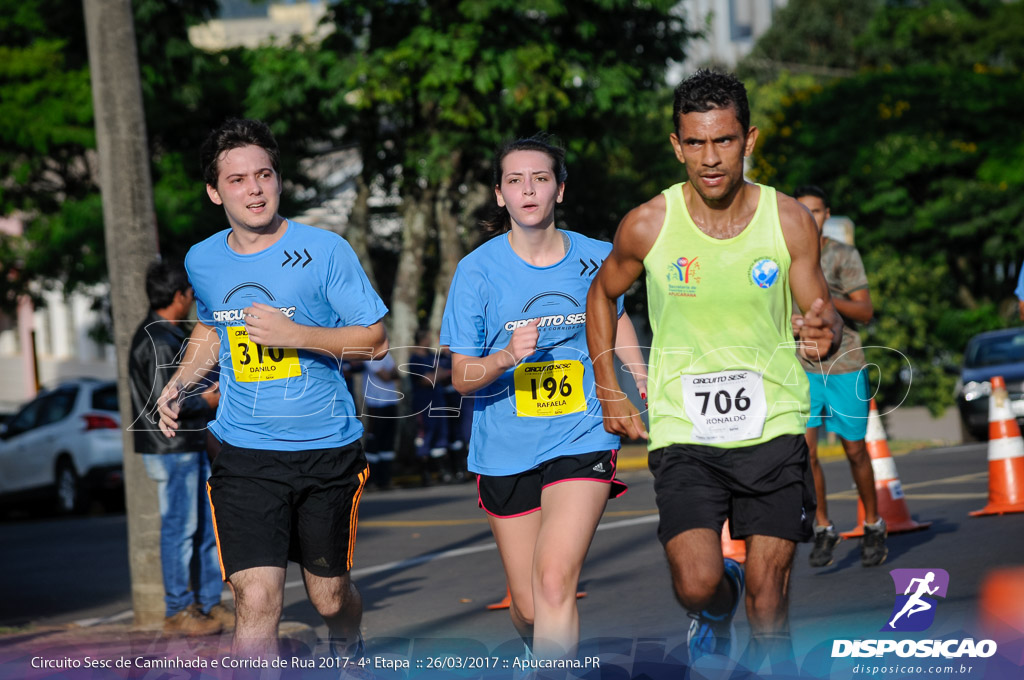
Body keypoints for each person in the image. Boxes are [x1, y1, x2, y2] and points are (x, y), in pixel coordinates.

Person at [586, 69, 842, 672]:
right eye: (695, 143)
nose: (709, 158)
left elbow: (818, 313)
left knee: (768, 600)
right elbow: (601, 295)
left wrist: (822, 332)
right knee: (698, 585)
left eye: (723, 141)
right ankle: (713, 607)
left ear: (748, 140)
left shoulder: (787, 220)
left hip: (775, 423)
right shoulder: (648, 223)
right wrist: (608, 391)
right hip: (685, 433)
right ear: (676, 145)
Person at [156, 118, 389, 660]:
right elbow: (212, 328)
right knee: (256, 601)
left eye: (263, 175)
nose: (254, 189)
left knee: (329, 599)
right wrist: (179, 382)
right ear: (215, 191)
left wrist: (296, 335)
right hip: (245, 453)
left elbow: (375, 341)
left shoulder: (326, 250)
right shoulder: (203, 259)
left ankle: (348, 644)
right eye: (237, 180)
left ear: (279, 181)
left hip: (326, 449)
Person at [441, 135, 647, 661]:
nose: (528, 189)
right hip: (505, 446)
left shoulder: (598, 256)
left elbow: (614, 316)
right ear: (499, 194)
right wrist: (507, 355)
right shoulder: (476, 271)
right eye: (515, 180)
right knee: (532, 607)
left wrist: (640, 374)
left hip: (582, 431)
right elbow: (462, 376)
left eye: (540, 178)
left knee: (556, 581)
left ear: (559, 189)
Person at [128, 259, 232, 637]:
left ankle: (207, 603)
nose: (192, 299)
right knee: (180, 528)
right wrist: (208, 401)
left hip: (186, 447)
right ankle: (178, 609)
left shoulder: (168, 334)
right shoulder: (157, 339)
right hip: (171, 450)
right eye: (190, 293)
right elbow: (167, 401)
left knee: (203, 529)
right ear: (179, 295)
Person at [793, 185, 887, 568]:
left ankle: (873, 524)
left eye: (815, 211)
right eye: (801, 211)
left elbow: (865, 311)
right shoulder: (780, 259)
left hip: (845, 365)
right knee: (805, 453)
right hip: (800, 367)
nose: (809, 217)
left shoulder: (842, 255)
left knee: (855, 450)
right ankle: (823, 528)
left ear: (826, 214)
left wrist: (830, 302)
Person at [362, 352, 398, 490]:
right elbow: (386, 376)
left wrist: (392, 374)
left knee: (387, 442)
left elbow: (396, 373)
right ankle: (371, 480)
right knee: (374, 441)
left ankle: (385, 479)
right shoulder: (369, 355)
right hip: (376, 404)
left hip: (391, 401)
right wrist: (391, 374)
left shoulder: (387, 354)